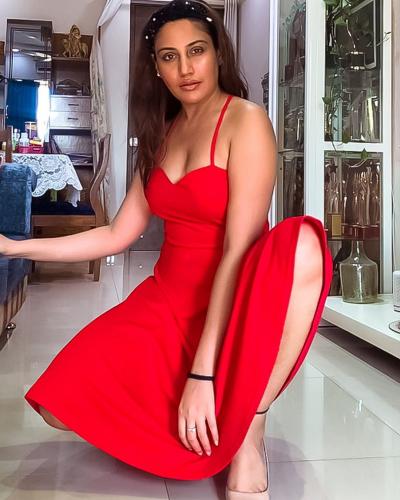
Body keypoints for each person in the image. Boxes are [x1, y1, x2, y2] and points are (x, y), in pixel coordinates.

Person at [0, 1, 333, 498]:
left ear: (217, 53)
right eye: (169, 56)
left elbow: (237, 251)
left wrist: (202, 372)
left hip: (235, 293)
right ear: (155, 67)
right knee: (57, 405)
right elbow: (115, 234)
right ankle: (196, 425)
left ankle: (250, 427)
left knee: (305, 242)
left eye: (196, 51)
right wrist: (14, 247)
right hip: (168, 297)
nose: (185, 68)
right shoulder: (161, 133)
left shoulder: (246, 121)